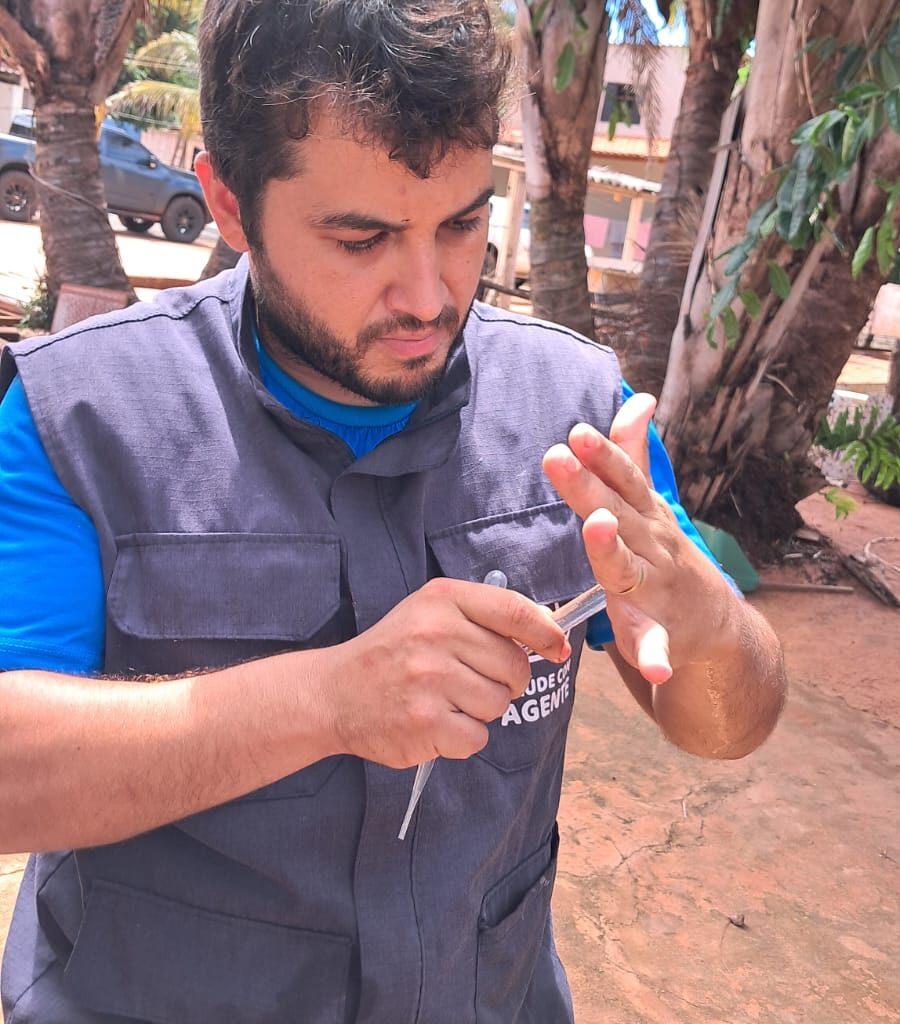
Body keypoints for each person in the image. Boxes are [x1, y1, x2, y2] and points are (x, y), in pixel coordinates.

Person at [0, 2, 786, 1021]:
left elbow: (732, 722)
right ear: (228, 205)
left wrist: (703, 613)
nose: (429, 293)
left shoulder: (578, 414)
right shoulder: (84, 417)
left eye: (462, 221)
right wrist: (326, 700)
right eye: (361, 236)